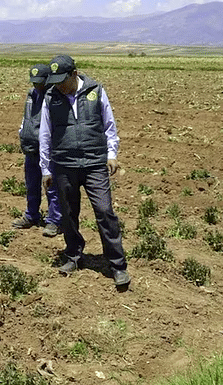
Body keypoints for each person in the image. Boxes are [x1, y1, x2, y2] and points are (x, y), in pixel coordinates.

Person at [39, 55, 129, 287]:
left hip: (94, 162)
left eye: (62, 80)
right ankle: (73, 256)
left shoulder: (96, 91)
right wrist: (46, 168)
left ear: (75, 74)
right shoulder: (51, 97)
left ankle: (117, 264)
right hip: (64, 164)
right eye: (55, 80)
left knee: (104, 210)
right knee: (68, 214)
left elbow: (109, 124)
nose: (59, 85)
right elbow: (45, 135)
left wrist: (111, 154)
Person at [13, 64, 62, 237]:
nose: (36, 86)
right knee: (31, 185)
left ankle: (54, 220)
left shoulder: (54, 97)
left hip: (47, 150)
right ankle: (31, 215)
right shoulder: (31, 95)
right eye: (34, 82)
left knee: (51, 186)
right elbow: (27, 117)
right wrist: (22, 131)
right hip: (30, 147)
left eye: (39, 82)